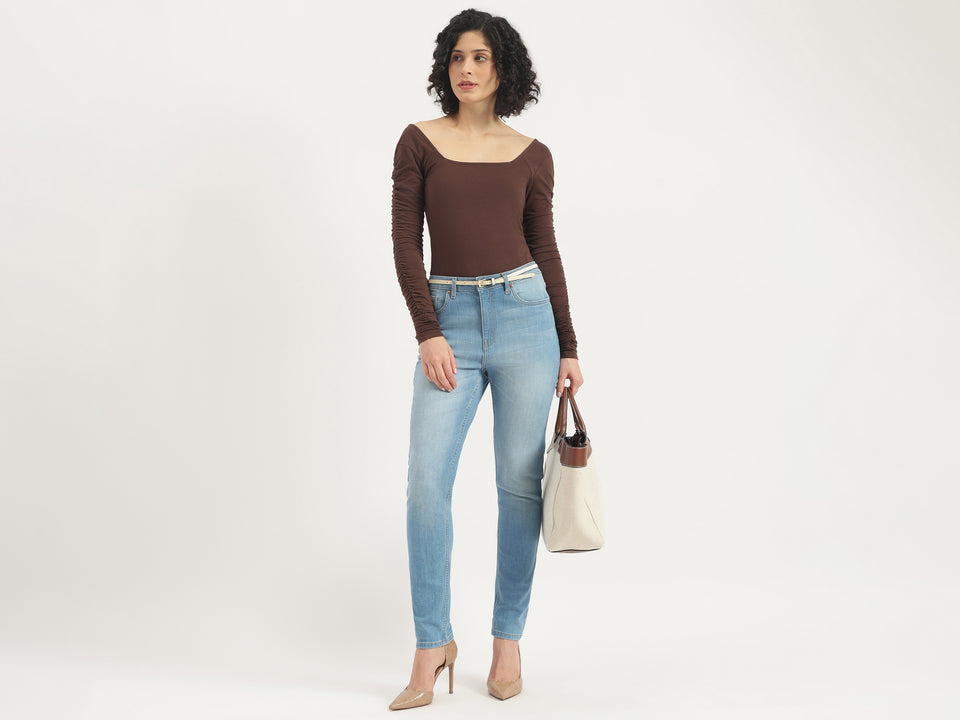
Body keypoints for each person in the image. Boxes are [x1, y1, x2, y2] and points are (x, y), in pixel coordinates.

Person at [388, 8, 583, 710]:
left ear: (504, 69)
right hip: (450, 324)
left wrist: (568, 344)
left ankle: (507, 640)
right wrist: (428, 331)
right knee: (425, 485)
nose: (466, 69)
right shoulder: (419, 142)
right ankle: (431, 642)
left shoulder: (532, 154)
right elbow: (405, 241)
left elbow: (545, 248)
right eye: (456, 57)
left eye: (480, 57)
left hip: (526, 318)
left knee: (518, 487)